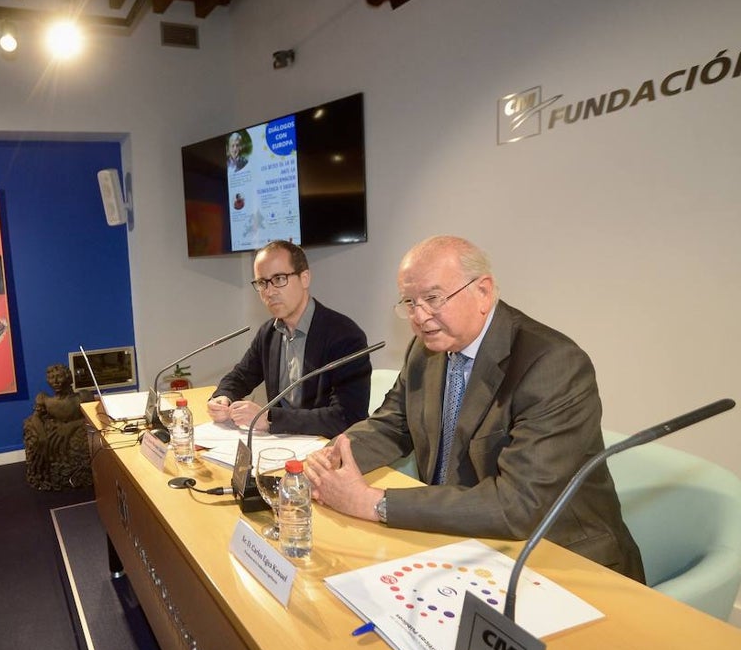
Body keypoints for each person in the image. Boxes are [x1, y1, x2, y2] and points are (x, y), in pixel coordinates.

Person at [303, 235, 645, 581]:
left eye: (433, 298)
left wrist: (374, 503)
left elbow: (518, 504)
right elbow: (392, 425)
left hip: (560, 558)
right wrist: (326, 463)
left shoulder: (553, 364)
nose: (419, 317)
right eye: (410, 302)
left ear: (483, 291)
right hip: (463, 542)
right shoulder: (426, 351)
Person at [207, 240, 371, 437]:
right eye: (262, 283)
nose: (269, 291)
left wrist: (269, 418)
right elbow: (241, 376)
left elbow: (347, 417)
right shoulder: (269, 333)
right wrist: (223, 396)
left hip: (326, 448)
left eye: (279, 279)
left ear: (305, 278)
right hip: (282, 445)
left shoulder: (345, 336)